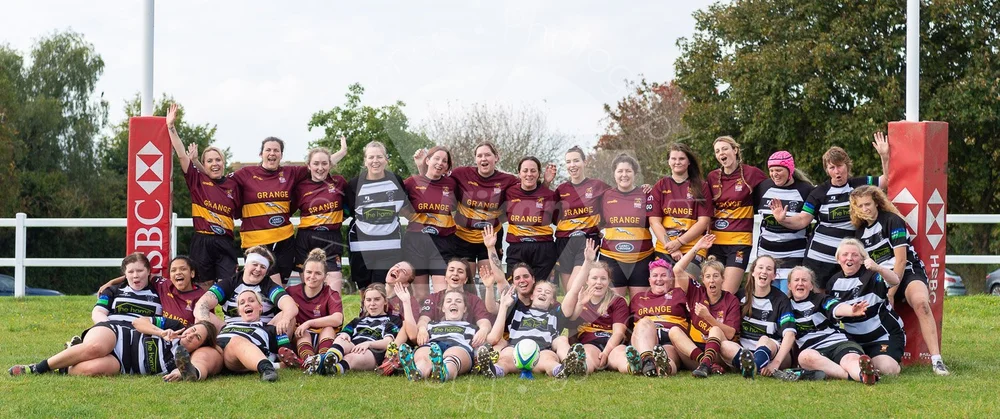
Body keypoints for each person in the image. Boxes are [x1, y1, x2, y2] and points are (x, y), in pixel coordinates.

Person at [850, 185, 949, 375]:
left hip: (907, 271)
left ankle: (937, 360)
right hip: (882, 278)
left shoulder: (892, 220)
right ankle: (885, 357)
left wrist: (891, 292)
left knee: (922, 304)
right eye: (860, 206)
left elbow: (901, 260)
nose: (865, 209)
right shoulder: (859, 233)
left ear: (877, 203)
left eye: (868, 204)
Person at [771, 132, 890, 285]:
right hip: (819, 258)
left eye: (840, 166)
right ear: (827, 170)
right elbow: (802, 220)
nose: (837, 171)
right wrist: (783, 219)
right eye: (832, 167)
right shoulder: (819, 193)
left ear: (847, 165)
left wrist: (884, 156)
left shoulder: (859, 185)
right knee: (816, 299)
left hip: (848, 258)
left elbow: (886, 180)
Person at [166, 104, 240, 287]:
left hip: (225, 242)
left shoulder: (233, 183)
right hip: (202, 241)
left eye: (218, 160)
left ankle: (228, 317)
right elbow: (182, 156)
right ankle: (203, 316)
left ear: (223, 162)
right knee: (203, 287)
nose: (214, 163)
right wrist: (171, 127)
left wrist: (198, 162)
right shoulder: (197, 182)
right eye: (209, 161)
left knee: (228, 285)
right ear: (204, 164)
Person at [8, 315, 217, 377]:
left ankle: (68, 358)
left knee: (91, 369)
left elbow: (196, 371)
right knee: (96, 348)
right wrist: (160, 332)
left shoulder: (184, 360)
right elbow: (138, 322)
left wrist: (182, 374)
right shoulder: (175, 327)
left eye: (197, 337)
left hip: (122, 364)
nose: (190, 335)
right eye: (192, 329)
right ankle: (37, 368)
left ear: (200, 346)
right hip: (116, 335)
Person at [230, 136, 311, 284]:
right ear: (261, 154)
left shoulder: (290, 173)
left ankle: (278, 308)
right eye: (268, 150)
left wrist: (342, 152)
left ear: (281, 154)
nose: (272, 153)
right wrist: (196, 164)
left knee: (282, 284)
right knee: (271, 283)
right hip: (256, 241)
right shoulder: (246, 173)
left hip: (284, 239)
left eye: (276, 150)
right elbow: (217, 181)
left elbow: (320, 166)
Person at [825, 238, 904, 378]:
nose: (849, 258)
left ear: (862, 259)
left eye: (855, 255)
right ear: (838, 259)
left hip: (883, 336)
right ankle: (865, 368)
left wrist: (878, 267)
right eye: (845, 255)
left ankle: (881, 363)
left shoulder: (872, 276)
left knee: (887, 368)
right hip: (854, 340)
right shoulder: (833, 282)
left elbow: (895, 280)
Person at [787, 266, 880, 384]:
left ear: (811, 286)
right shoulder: (786, 306)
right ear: (789, 285)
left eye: (804, 280)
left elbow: (836, 308)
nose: (800, 283)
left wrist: (851, 311)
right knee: (804, 357)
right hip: (814, 351)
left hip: (838, 343)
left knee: (849, 360)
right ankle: (856, 376)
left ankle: (863, 374)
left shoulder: (821, 299)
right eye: (796, 280)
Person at [667, 235, 741, 378]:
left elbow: (731, 334)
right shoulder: (696, 291)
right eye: (708, 277)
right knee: (674, 331)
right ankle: (706, 364)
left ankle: (707, 363)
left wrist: (707, 316)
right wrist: (697, 247)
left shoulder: (731, 299)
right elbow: (677, 270)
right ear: (703, 279)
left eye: (716, 276)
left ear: (723, 279)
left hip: (719, 354)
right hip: (694, 353)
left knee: (715, 329)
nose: (712, 280)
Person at [719, 255, 798, 380]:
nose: (764, 272)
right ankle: (753, 367)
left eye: (769, 269)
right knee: (724, 346)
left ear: (774, 276)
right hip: (745, 352)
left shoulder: (781, 300)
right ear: (753, 272)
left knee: (764, 339)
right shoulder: (740, 296)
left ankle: (754, 367)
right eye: (760, 267)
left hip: (775, 354)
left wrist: (775, 363)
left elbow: (790, 335)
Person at [345, 141, 409, 292]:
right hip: (361, 246)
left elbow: (406, 209)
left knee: (383, 288)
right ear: (365, 160)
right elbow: (347, 212)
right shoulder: (354, 184)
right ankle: (364, 313)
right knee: (364, 289)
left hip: (390, 245)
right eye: (371, 157)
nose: (375, 161)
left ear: (386, 159)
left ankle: (383, 315)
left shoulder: (396, 181)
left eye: (379, 157)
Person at [484, 278, 581, 379]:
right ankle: (495, 370)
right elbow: (493, 305)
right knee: (505, 359)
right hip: (516, 349)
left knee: (549, 360)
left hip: (542, 351)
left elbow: (573, 291)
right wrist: (491, 290)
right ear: (531, 296)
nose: (543, 293)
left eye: (547, 292)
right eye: (539, 290)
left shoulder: (555, 315)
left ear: (552, 300)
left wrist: (587, 262)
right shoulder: (518, 311)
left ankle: (562, 369)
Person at [707, 136, 768, 293]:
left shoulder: (752, 173)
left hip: (740, 241)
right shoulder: (712, 177)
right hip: (715, 241)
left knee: (727, 292)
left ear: (735, 150)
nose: (722, 153)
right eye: (717, 151)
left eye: (725, 148)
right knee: (713, 291)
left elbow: (774, 186)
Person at [193, 246, 298, 334]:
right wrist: (206, 325)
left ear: (266, 272)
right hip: (230, 331)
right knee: (200, 316)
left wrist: (285, 319)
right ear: (246, 265)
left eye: (262, 267)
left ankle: (281, 352)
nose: (258, 269)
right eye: (255, 264)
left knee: (290, 317)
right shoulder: (229, 283)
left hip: (263, 332)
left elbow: (290, 306)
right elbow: (202, 304)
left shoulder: (269, 286)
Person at [402, 146, 460, 300]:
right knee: (421, 295)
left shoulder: (452, 185)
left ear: (447, 167)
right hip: (416, 242)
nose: (440, 163)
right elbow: (399, 206)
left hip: (443, 241)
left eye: (444, 161)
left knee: (442, 293)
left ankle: (440, 324)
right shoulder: (411, 183)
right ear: (427, 160)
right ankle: (423, 324)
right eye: (436, 158)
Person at [308, 283, 402, 376]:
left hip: (372, 351)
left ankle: (331, 368)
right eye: (368, 300)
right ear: (364, 302)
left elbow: (388, 342)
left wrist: (368, 344)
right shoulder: (357, 321)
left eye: (377, 299)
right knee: (341, 339)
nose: (372, 304)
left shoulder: (393, 320)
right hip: (353, 345)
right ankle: (329, 358)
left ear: (385, 301)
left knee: (351, 358)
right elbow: (345, 333)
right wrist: (344, 335)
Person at [554, 146, 612, 291]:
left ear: (584, 162)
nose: (572, 165)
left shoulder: (597, 185)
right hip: (563, 242)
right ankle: (575, 314)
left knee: (575, 287)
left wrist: (643, 189)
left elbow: (618, 198)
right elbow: (551, 215)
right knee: (569, 290)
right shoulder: (561, 189)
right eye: (568, 162)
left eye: (576, 161)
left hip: (587, 241)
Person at [563, 250, 631, 375]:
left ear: (608, 281)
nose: (598, 282)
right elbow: (570, 322)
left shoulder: (617, 301)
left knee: (621, 354)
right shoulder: (580, 297)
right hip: (590, 342)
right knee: (587, 353)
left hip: (612, 343)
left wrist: (606, 352)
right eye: (594, 278)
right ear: (587, 280)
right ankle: (580, 366)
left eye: (603, 279)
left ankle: (632, 366)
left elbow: (619, 332)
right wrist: (580, 304)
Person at [647, 143, 713, 272]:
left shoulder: (701, 186)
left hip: (693, 248)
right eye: (673, 158)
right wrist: (671, 246)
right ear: (668, 161)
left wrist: (679, 242)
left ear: (689, 161)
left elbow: (703, 222)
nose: (677, 162)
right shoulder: (660, 186)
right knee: (663, 285)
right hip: (665, 248)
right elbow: (654, 222)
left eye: (682, 159)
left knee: (685, 285)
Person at [754, 151, 814, 291]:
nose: (775, 174)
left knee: (787, 299)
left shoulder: (805, 190)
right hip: (766, 255)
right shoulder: (763, 187)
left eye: (779, 170)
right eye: (772, 170)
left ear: (790, 170)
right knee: (769, 299)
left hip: (794, 255)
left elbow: (805, 220)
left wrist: (783, 219)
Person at [293, 143, 349, 293]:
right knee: (309, 290)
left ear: (330, 165)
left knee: (333, 291)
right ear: (309, 166)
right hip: (306, 239)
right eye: (316, 163)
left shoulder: (339, 182)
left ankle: (335, 316)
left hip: (331, 238)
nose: (320, 167)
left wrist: (335, 219)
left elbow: (350, 207)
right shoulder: (300, 187)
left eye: (324, 163)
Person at [599, 153, 655, 299]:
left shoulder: (646, 194)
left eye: (628, 171)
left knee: (640, 306)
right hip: (612, 259)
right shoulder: (605, 196)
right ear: (614, 174)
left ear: (635, 173)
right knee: (615, 307)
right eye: (620, 171)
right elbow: (594, 222)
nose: (624, 175)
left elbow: (656, 222)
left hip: (641, 258)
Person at [278, 248, 345, 369]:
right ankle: (309, 361)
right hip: (300, 339)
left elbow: (338, 319)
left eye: (318, 273)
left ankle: (323, 360)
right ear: (303, 273)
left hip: (324, 338)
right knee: (303, 333)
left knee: (329, 328)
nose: (312, 276)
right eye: (309, 272)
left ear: (325, 276)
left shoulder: (331, 293)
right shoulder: (291, 292)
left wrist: (309, 323)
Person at [96, 255, 208, 327]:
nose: (178, 273)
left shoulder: (202, 297)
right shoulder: (164, 284)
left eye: (183, 269)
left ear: (192, 273)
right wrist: (111, 282)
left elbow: (204, 326)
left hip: (181, 337)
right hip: (162, 336)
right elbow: (140, 275)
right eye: (173, 270)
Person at [398, 288, 481, 382]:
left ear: (465, 308)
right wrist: (421, 329)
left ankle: (444, 372)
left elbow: (481, 346)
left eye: (458, 301)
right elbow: (413, 335)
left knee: (451, 357)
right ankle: (417, 372)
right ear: (443, 308)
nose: (453, 303)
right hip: (434, 347)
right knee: (424, 355)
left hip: (458, 346)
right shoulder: (430, 325)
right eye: (449, 301)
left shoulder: (472, 327)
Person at [624, 259, 687, 377]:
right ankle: (647, 361)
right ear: (649, 280)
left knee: (667, 355)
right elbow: (628, 325)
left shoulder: (680, 294)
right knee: (644, 322)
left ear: (671, 279)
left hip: (670, 337)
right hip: (644, 337)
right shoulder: (638, 298)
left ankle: (664, 369)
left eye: (663, 275)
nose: (659, 279)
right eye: (655, 276)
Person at [210, 290, 287, 382]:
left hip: (239, 356)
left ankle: (266, 368)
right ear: (239, 311)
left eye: (251, 301)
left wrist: (280, 362)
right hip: (216, 351)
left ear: (260, 307)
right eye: (242, 303)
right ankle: (195, 372)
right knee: (204, 352)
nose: (246, 304)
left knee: (236, 341)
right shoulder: (227, 326)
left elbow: (286, 352)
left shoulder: (270, 329)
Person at [503, 156, 559, 282]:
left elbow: (559, 221)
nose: (529, 174)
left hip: (543, 249)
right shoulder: (509, 192)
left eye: (533, 171)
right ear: (519, 173)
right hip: (517, 248)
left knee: (540, 291)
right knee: (514, 289)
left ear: (539, 173)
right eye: (525, 170)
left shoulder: (550, 195)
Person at [414, 259, 491, 350]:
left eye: (460, 271)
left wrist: (483, 330)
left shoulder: (475, 300)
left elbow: (484, 322)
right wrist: (422, 329)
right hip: (436, 344)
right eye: (451, 270)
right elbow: (423, 319)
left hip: (463, 344)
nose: (455, 274)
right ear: (445, 277)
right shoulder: (433, 298)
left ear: (466, 279)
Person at [93, 253, 162, 325]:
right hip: (113, 331)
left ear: (148, 271)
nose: (135, 275)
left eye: (140, 271)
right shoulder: (112, 290)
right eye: (130, 272)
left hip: (146, 333)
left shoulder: (161, 293)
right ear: (125, 275)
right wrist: (109, 327)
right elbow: (98, 312)